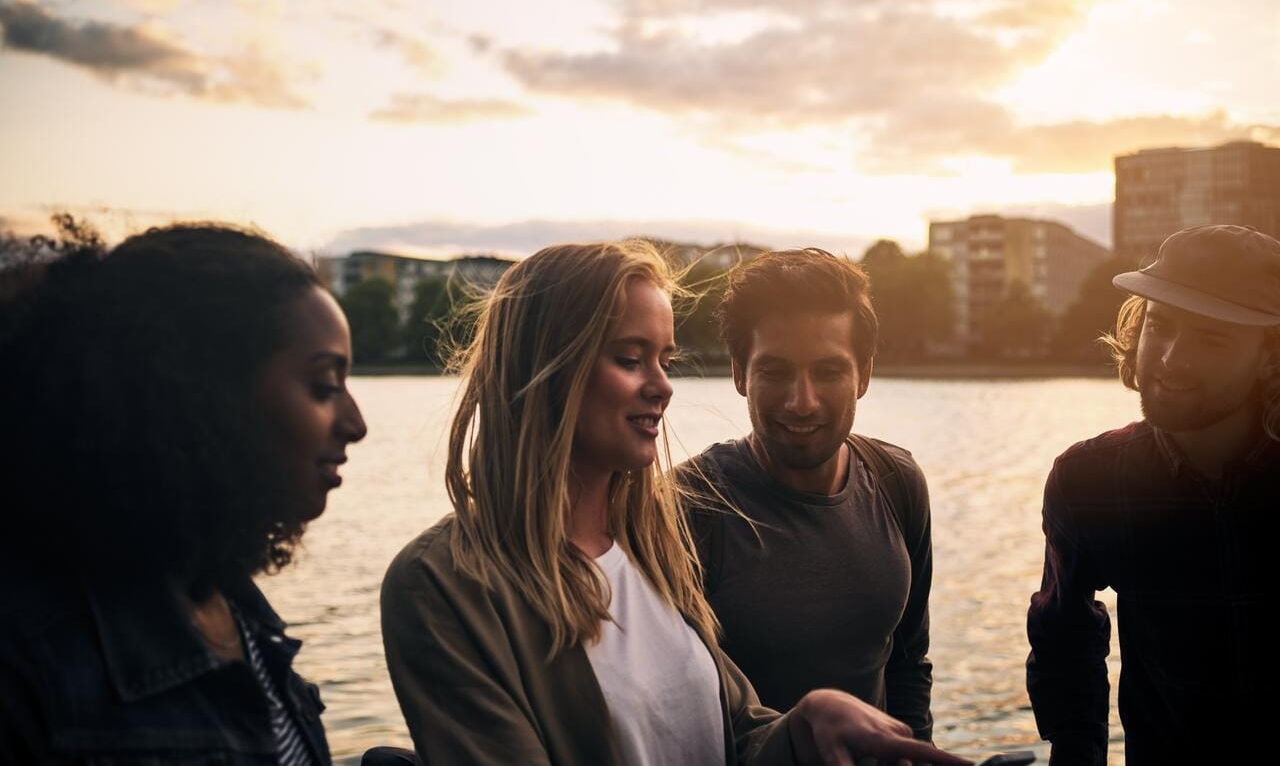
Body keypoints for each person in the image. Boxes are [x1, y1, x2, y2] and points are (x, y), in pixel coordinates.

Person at [380, 240, 967, 765]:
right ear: (545, 370)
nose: (663, 386)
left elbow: (735, 735)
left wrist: (808, 723)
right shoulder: (444, 584)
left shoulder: (647, 541)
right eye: (632, 359)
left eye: (666, 360)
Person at [0, 221, 368, 764]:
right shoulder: (30, 656)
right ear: (203, 399)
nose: (356, 424)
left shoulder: (236, 608)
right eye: (323, 387)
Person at [1026, 224, 1280, 764]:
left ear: (1268, 354)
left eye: (1210, 338)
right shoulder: (1089, 479)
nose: (1169, 360)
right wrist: (1077, 751)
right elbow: (1064, 639)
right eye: (1159, 326)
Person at [680, 248, 934, 736]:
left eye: (828, 372)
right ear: (739, 373)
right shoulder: (688, 508)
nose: (802, 402)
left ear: (864, 374)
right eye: (775, 372)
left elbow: (907, 660)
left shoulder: (898, 483)